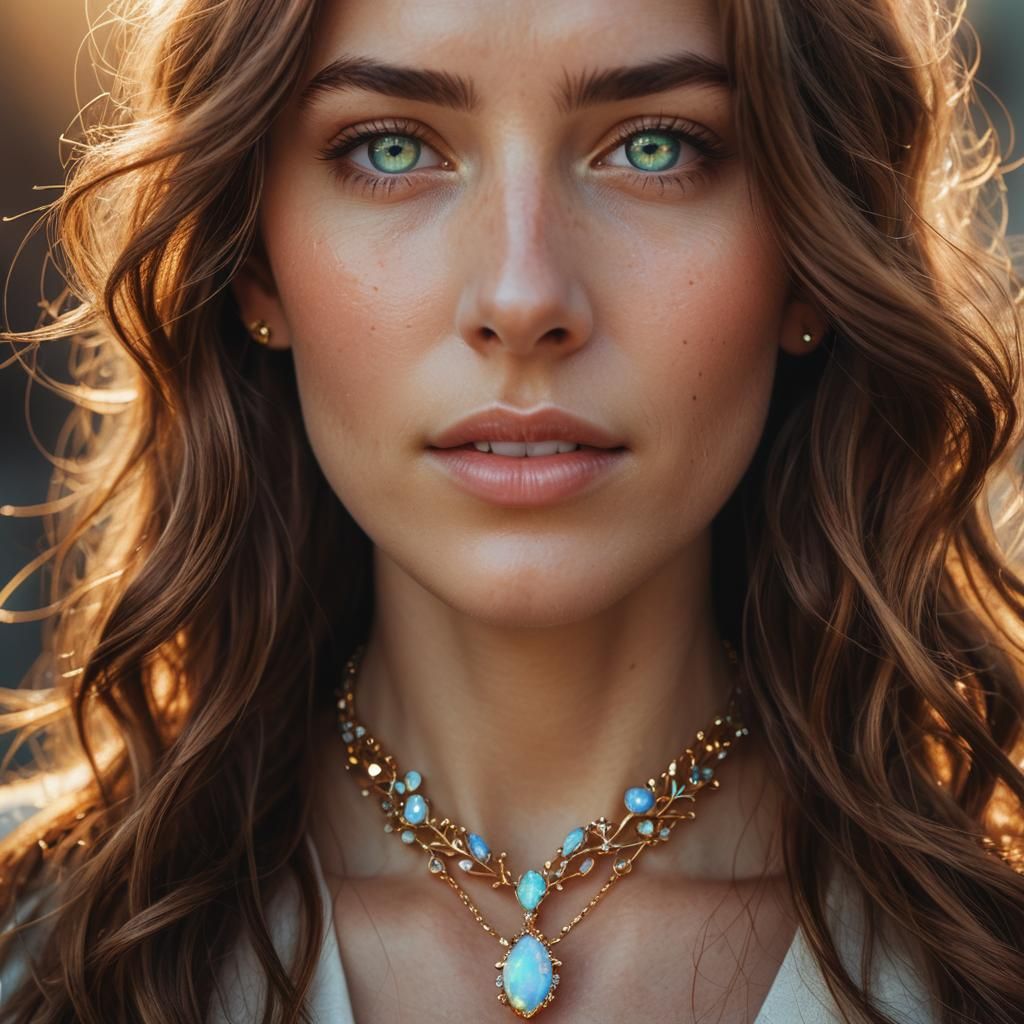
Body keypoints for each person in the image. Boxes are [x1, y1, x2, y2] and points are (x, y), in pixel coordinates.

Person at [1, 0, 1023, 1020]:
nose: (523, 296)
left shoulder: (989, 962)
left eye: (654, 145)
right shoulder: (39, 955)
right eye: (393, 149)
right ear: (256, 263)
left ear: (811, 251)